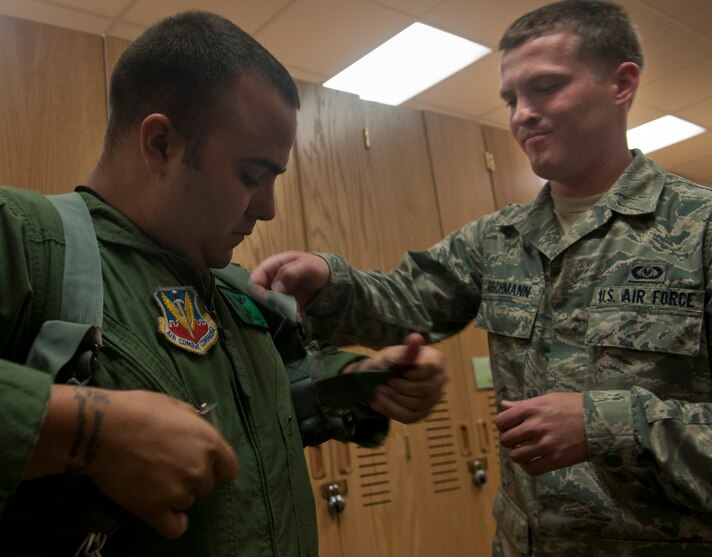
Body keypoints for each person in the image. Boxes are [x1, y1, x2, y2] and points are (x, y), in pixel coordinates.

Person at [0, 9, 446, 557]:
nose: (268, 208)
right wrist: (85, 429)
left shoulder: (233, 289)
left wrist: (358, 383)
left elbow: (265, 400)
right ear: (161, 143)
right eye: (254, 174)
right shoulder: (21, 239)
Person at [251, 1, 712, 555]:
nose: (522, 114)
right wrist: (326, 279)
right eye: (512, 99)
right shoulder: (498, 239)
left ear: (622, 83)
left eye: (545, 87)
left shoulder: (697, 228)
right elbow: (403, 303)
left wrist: (607, 422)